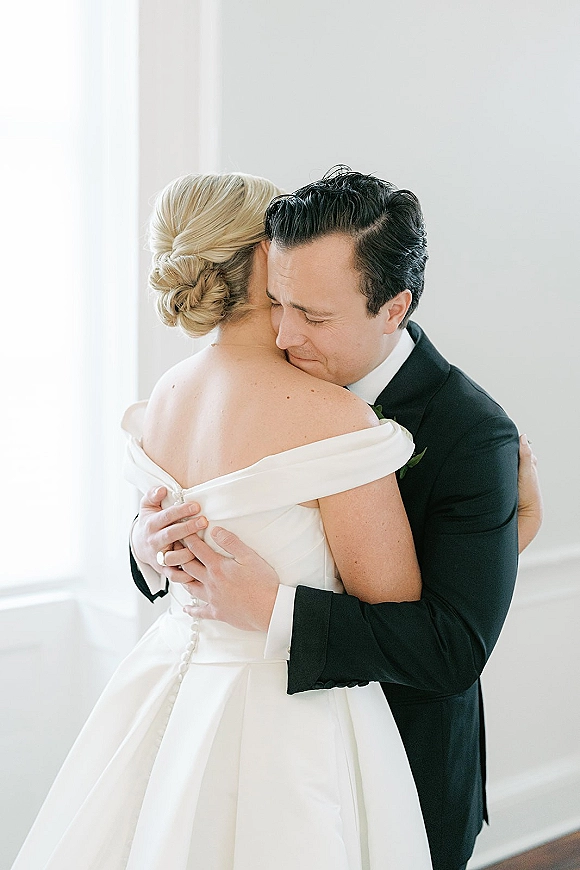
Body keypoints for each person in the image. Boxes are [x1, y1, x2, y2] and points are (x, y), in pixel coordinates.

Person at [11, 172, 434, 870]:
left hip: (171, 685)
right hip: (287, 711)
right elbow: (394, 610)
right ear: (265, 256)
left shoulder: (168, 394)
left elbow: (161, 537)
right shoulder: (333, 416)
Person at [130, 168, 544, 870]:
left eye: (315, 317)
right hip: (233, 746)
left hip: (402, 774)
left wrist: (275, 608)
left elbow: (451, 650)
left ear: (393, 307)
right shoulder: (253, 382)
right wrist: (145, 545)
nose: (288, 335)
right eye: (278, 303)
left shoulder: (472, 435)